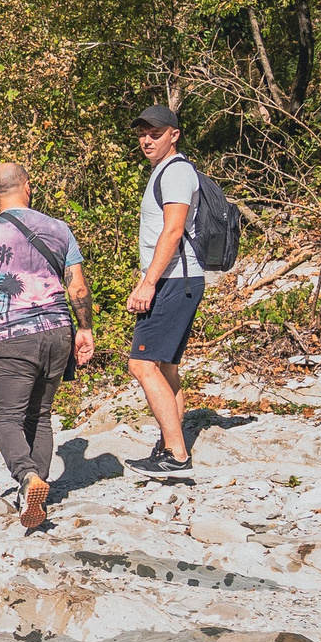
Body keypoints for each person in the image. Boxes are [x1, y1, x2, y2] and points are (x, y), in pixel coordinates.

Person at [0, 164, 96, 530]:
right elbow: (77, 288)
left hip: (12, 336)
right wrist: (85, 329)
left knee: (6, 417)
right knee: (41, 415)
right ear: (28, 188)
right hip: (58, 331)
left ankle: (27, 476)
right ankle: (34, 489)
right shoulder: (60, 229)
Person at [126, 104, 203, 477]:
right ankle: (170, 444)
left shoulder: (175, 173)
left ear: (174, 134)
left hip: (174, 281)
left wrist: (147, 284)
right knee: (167, 366)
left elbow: (172, 232)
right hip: (180, 280)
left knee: (141, 364)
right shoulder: (168, 172)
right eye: (142, 133)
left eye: (154, 133)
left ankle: (176, 455)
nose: (146, 140)